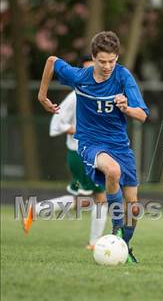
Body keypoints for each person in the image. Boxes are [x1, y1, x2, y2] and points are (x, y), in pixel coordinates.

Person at [37, 31, 149, 263]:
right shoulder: (80, 77)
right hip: (90, 143)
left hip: (119, 145)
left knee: (134, 208)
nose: (108, 66)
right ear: (93, 57)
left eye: (112, 61)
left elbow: (142, 116)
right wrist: (42, 95)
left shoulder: (123, 77)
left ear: (117, 58)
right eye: (102, 61)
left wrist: (126, 107)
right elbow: (51, 61)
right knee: (113, 171)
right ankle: (117, 228)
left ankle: (123, 247)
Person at [23, 56, 108, 250]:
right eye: (87, 69)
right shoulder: (76, 96)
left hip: (88, 153)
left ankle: (35, 210)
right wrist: (81, 132)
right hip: (80, 154)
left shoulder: (96, 94)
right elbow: (58, 123)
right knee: (97, 198)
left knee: (92, 199)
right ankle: (94, 242)